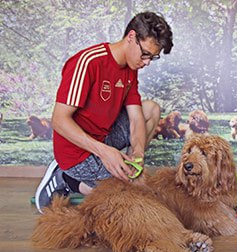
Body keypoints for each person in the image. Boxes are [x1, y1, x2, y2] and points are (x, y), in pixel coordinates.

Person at [34, 11, 173, 214]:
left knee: (151, 108)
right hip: (77, 152)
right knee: (127, 197)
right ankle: (65, 178)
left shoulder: (131, 68)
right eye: (145, 54)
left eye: (153, 57)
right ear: (131, 37)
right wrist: (105, 153)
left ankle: (119, 170)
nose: (147, 62)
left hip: (105, 136)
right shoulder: (87, 62)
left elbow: (136, 117)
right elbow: (58, 120)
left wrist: (138, 151)